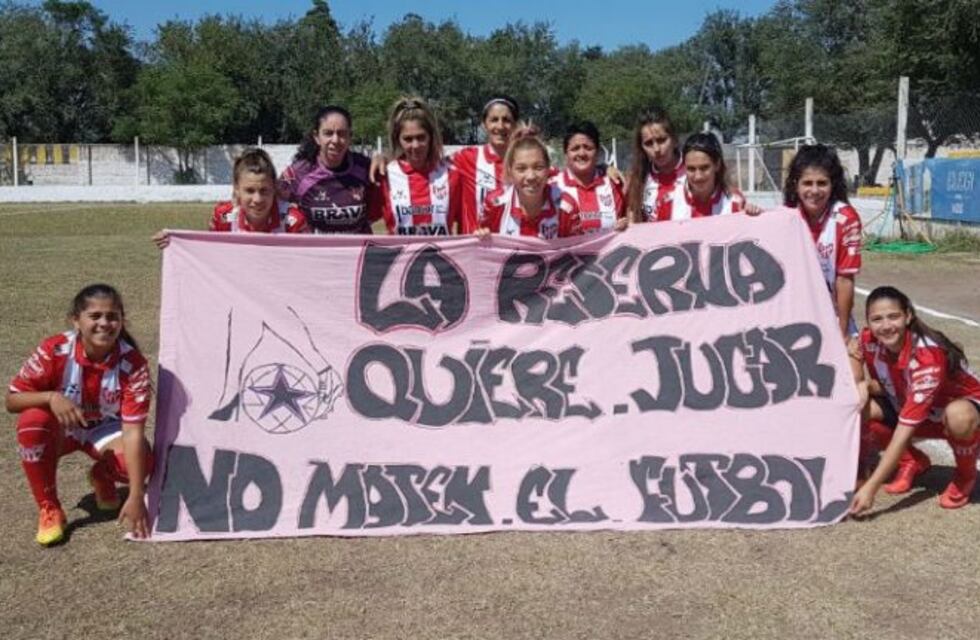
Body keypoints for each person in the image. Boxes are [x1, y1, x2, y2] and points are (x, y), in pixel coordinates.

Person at [6, 284, 155, 546]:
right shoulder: (54, 350)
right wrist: (51, 397)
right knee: (32, 422)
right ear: (76, 320)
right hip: (62, 429)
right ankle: (49, 507)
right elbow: (12, 400)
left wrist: (135, 494)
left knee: (144, 458)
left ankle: (102, 474)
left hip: (104, 430)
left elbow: (133, 432)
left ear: (122, 321)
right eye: (95, 316)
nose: (104, 323)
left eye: (112, 316)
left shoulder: (133, 364)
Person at [850, 286, 980, 515]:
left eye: (894, 316)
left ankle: (965, 474)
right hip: (914, 406)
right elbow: (855, 356)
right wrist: (862, 384)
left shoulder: (927, 356)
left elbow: (905, 430)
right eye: (877, 319)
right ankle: (912, 461)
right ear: (868, 322)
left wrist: (870, 489)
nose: (886, 325)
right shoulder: (867, 338)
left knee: (959, 416)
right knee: (856, 406)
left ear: (908, 316)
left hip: (959, 411)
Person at [783, 144, 862, 340]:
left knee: (854, 372)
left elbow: (844, 280)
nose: (815, 190)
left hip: (833, 314)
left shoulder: (846, 218)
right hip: (793, 316)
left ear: (833, 184)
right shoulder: (783, 218)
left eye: (822, 183)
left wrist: (842, 333)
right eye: (807, 183)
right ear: (795, 184)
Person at [153, 148, 308, 247]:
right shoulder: (223, 217)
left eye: (264, 191)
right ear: (236, 189)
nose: (257, 199)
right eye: (249, 190)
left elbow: (308, 262)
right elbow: (209, 254)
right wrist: (174, 243)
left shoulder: (293, 221)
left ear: (274, 188)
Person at [278, 105, 382, 234]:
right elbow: (268, 200)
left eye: (342, 133)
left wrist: (386, 159)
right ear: (316, 137)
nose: (335, 140)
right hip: (315, 252)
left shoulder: (366, 168)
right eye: (328, 133)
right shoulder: (299, 172)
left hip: (357, 252)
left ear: (350, 136)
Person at [377, 97, 471, 236]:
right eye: (408, 139)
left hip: (441, 257)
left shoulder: (451, 174)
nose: (415, 145)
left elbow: (468, 221)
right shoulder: (385, 175)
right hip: (401, 257)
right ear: (398, 140)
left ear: (431, 137)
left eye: (421, 137)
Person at [479, 125, 581, 239]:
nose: (531, 176)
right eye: (521, 169)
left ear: (548, 169)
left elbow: (576, 252)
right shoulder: (494, 204)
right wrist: (481, 237)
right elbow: (482, 249)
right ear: (510, 171)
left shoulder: (566, 207)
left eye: (538, 167)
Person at [553, 121, 627, 234]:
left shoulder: (615, 183)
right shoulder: (553, 186)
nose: (582, 153)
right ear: (565, 153)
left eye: (588, 148)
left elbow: (634, 219)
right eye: (575, 148)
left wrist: (628, 224)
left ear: (597, 152)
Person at [654, 132, 747, 221]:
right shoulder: (669, 201)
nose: (698, 176)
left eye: (704, 168)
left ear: (717, 165)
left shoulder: (735, 201)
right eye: (691, 169)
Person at [626, 109, 683, 223]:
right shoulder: (638, 178)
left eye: (661, 140)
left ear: (674, 140)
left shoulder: (694, 171)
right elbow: (632, 220)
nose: (656, 149)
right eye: (648, 143)